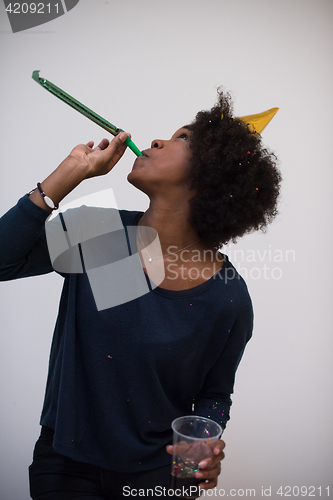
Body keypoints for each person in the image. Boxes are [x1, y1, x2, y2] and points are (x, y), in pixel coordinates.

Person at [0, 90, 281, 499]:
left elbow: (214, 395)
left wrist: (197, 458)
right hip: (65, 470)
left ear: (210, 179)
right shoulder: (98, 234)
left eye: (183, 139)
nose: (157, 141)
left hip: (160, 480)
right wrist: (67, 176)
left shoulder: (228, 297)